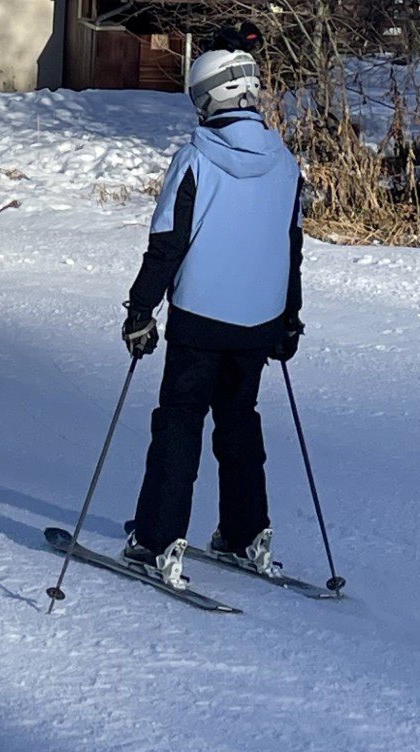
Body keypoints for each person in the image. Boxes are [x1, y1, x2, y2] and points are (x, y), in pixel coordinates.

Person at [120, 46, 304, 590]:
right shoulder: (285, 162)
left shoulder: (194, 159)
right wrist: (289, 319)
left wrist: (140, 311)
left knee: (179, 422)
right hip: (260, 320)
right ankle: (246, 534)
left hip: (201, 319)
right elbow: (291, 246)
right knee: (239, 419)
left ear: (205, 99)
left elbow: (167, 242)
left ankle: (157, 541)